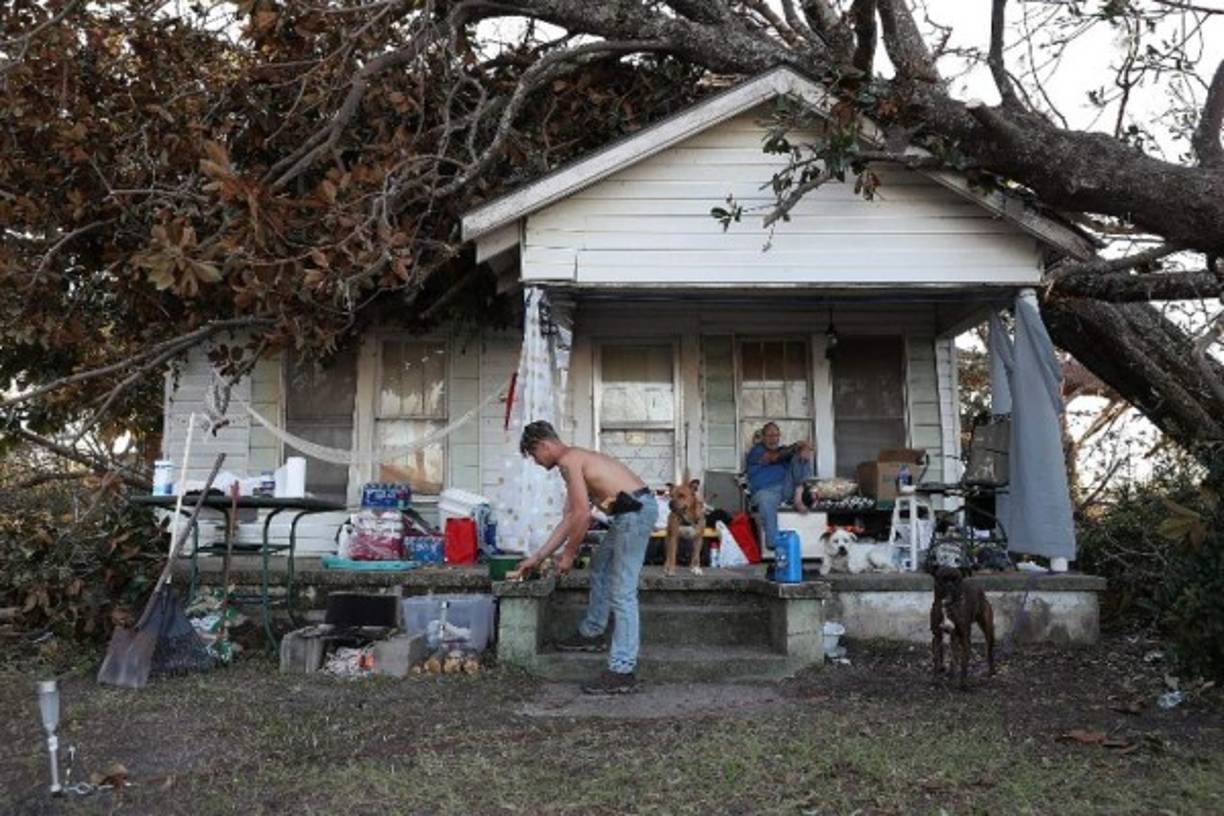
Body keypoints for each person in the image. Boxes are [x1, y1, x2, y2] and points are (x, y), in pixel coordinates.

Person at [513, 420, 657, 695]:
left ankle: (622, 671)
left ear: (544, 445)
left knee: (623, 593)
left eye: (533, 455)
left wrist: (569, 554)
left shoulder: (569, 461)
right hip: (630, 511)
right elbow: (570, 517)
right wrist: (538, 556)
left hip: (635, 513)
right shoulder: (573, 460)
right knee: (600, 567)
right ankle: (593, 632)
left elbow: (582, 515)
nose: (536, 462)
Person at [745, 422, 814, 552]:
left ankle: (800, 494)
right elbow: (773, 458)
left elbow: (793, 455)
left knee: (800, 454)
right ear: (763, 437)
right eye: (769, 435)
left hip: (787, 489)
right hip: (765, 491)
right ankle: (773, 542)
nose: (773, 439)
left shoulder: (784, 451)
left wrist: (803, 448)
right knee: (766, 501)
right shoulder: (757, 451)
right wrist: (796, 446)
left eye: (776, 435)